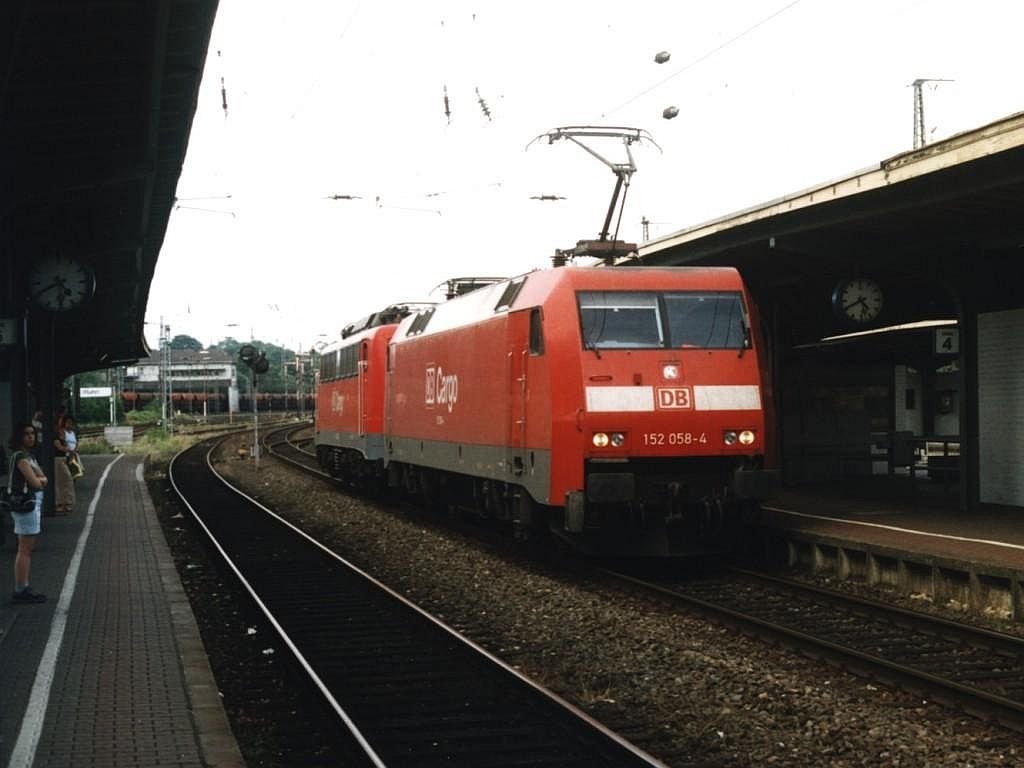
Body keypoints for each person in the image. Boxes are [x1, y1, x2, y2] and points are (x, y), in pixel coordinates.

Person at [8, 422, 48, 603]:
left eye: (32, 433)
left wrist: (41, 479)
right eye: (26, 434)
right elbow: (36, 482)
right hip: (26, 506)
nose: (31, 437)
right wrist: (40, 480)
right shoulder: (21, 458)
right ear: (19, 437)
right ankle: (21, 589)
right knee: (24, 550)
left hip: (29, 505)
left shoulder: (28, 456)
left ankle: (23, 586)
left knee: (25, 549)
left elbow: (42, 476)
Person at [53, 413, 78, 514]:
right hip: (58, 459)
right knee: (65, 480)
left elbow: (66, 445)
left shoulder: (62, 435)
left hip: (64, 458)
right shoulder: (55, 436)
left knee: (64, 481)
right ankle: (62, 503)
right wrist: (70, 450)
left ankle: (65, 503)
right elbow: (59, 447)